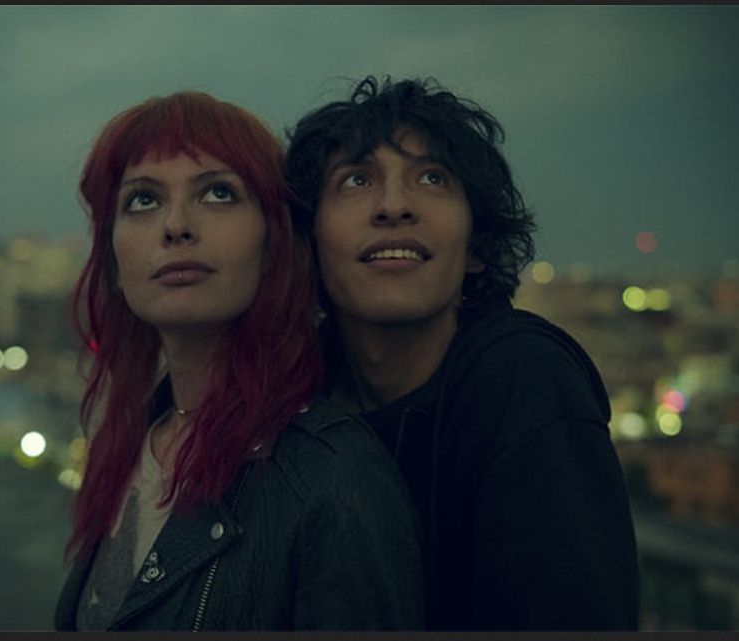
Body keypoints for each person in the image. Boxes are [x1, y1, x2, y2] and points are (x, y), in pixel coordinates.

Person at [53, 91, 424, 631]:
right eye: (143, 200)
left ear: (274, 239)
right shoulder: (131, 442)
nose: (176, 225)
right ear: (112, 254)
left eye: (218, 193)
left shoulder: (332, 477)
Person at [285, 76, 640, 630]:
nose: (394, 206)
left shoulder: (523, 380)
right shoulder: (295, 396)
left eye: (432, 177)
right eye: (356, 179)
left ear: (477, 246)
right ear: (309, 241)